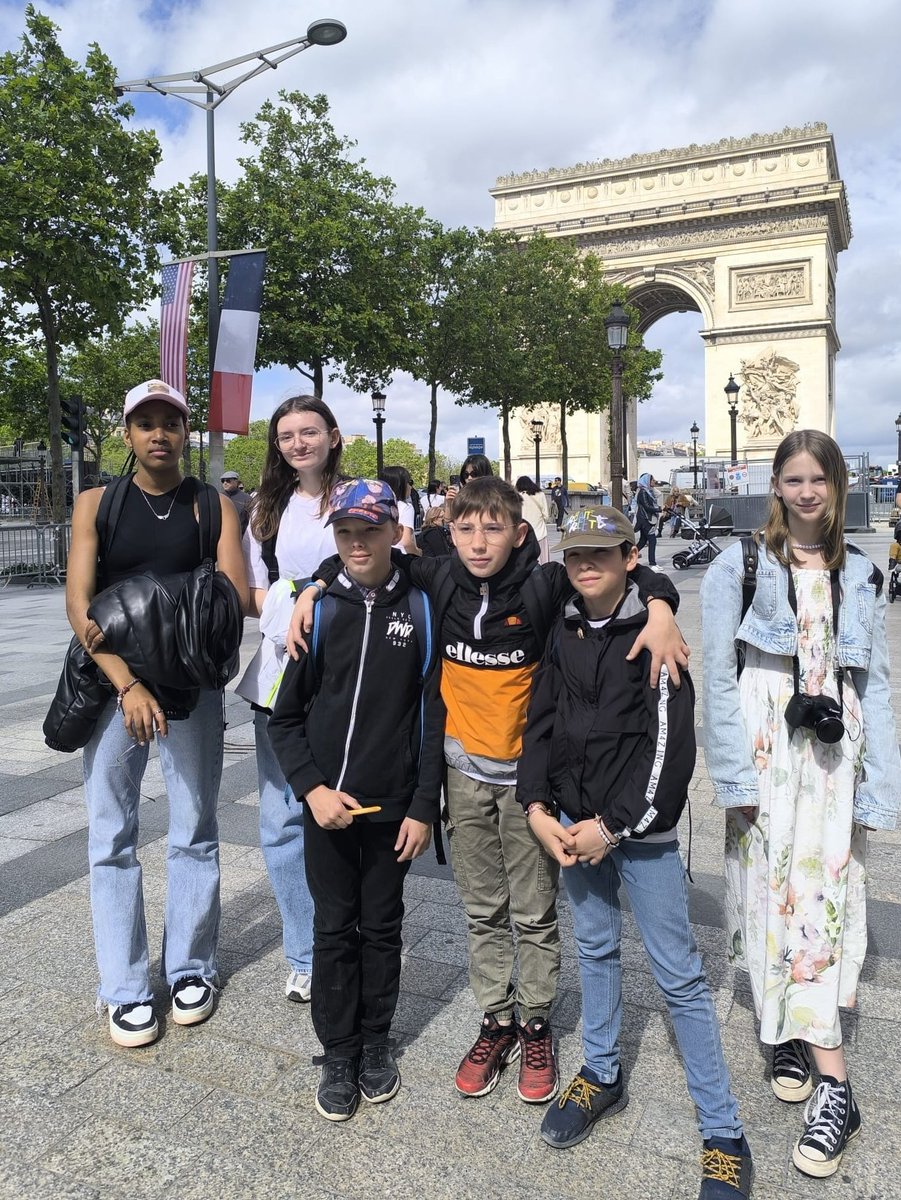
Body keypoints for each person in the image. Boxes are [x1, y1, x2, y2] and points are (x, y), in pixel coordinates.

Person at [289, 477, 689, 1108]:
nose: (478, 542)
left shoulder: (543, 584)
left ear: (521, 534)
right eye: (465, 529)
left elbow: (623, 573)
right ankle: (495, 1018)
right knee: (481, 910)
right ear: (447, 533)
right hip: (462, 776)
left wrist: (663, 608)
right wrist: (313, 586)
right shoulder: (436, 577)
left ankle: (534, 1024)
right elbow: (362, 553)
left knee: (533, 910)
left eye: (493, 529)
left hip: (527, 783)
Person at [518, 506, 752, 1199]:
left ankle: (721, 1129)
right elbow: (541, 720)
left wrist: (613, 827)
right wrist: (536, 805)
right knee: (593, 951)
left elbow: (668, 755)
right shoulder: (561, 622)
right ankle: (601, 1073)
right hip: (569, 821)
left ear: (628, 556)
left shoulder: (656, 632)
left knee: (677, 976)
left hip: (636, 834)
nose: (586, 566)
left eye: (602, 554)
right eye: (575, 555)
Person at [701, 430, 900, 1180]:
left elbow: (873, 686)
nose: (807, 491)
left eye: (819, 477)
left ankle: (836, 1087)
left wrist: (880, 781)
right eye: (793, 478)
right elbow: (720, 677)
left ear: (838, 484)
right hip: (763, 752)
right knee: (761, 899)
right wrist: (734, 777)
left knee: (818, 905)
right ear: (776, 485)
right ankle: (781, 1025)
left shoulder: (864, 571)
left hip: (828, 760)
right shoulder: (737, 564)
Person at [65, 379, 248, 1048]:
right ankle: (124, 987)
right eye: (144, 422)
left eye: (168, 421)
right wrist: (125, 684)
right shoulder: (97, 503)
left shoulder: (212, 506)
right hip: (117, 688)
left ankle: (191, 966)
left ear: (184, 430)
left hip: (191, 691)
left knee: (195, 827)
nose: (157, 433)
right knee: (111, 835)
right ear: (127, 434)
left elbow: (231, 597)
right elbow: (79, 604)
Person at [268, 479, 442, 1122]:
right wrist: (312, 791)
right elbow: (284, 719)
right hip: (326, 806)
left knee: (383, 927)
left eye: (369, 531)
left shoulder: (422, 606)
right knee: (333, 929)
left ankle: (376, 1042)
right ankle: (338, 1050)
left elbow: (433, 716)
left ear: (395, 531)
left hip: (391, 806)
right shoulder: (324, 609)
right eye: (345, 533)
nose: (357, 543)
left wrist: (424, 806)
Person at [238, 395, 343, 1006]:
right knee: (281, 817)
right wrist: (291, 598)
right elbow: (253, 592)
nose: (298, 443)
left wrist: (317, 593)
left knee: (331, 809)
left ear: (332, 436)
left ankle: (340, 934)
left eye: (309, 432)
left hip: (345, 671)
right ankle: (303, 950)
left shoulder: (359, 497)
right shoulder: (265, 512)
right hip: (281, 670)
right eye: (286, 436)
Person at [379, 465, 420, 555]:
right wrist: (417, 554)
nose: (411, 487)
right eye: (410, 482)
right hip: (401, 558)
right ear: (400, 485)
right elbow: (406, 542)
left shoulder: (377, 505)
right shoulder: (405, 507)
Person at [516, 475, 551, 563]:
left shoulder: (517, 496)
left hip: (524, 533)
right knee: (543, 560)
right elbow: (546, 515)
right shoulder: (540, 494)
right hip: (540, 533)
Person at [634, 472, 661, 568]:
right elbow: (647, 506)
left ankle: (628, 556)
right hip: (645, 519)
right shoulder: (643, 492)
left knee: (643, 541)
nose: (654, 481)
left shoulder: (648, 491)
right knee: (652, 540)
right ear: (647, 481)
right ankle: (652, 563)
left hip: (645, 519)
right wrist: (659, 509)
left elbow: (658, 495)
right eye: (652, 480)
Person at [220, 470, 250, 534]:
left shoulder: (246, 498)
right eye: (223, 481)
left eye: (228, 481)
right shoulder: (218, 497)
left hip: (240, 536)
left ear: (236, 482)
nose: (225, 483)